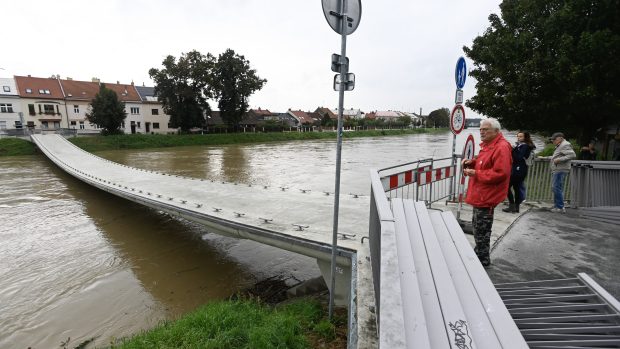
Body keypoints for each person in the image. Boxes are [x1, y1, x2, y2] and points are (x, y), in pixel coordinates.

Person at [462, 118, 512, 267]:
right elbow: (485, 164)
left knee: (482, 232)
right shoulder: (489, 146)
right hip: (481, 195)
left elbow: (500, 173)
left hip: (487, 196)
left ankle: (482, 262)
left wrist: (475, 173)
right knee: (477, 229)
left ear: (496, 131)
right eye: (481, 129)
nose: (481, 132)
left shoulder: (501, 147)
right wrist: (473, 163)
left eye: (485, 129)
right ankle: (478, 257)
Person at [503, 132, 535, 213]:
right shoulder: (523, 145)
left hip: (518, 170)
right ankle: (516, 207)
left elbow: (518, 157)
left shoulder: (524, 146)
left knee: (506, 187)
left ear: (525, 137)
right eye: (517, 136)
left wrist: (512, 150)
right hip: (521, 170)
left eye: (520, 136)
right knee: (516, 188)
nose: (518, 138)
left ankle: (512, 206)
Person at [549, 132, 576, 213]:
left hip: (561, 169)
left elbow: (572, 155)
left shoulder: (565, 144)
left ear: (560, 138)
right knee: (557, 187)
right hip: (559, 169)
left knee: (556, 187)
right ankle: (557, 206)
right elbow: (558, 155)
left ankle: (560, 207)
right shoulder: (561, 145)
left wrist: (559, 160)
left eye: (554, 139)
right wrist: (548, 157)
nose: (553, 141)